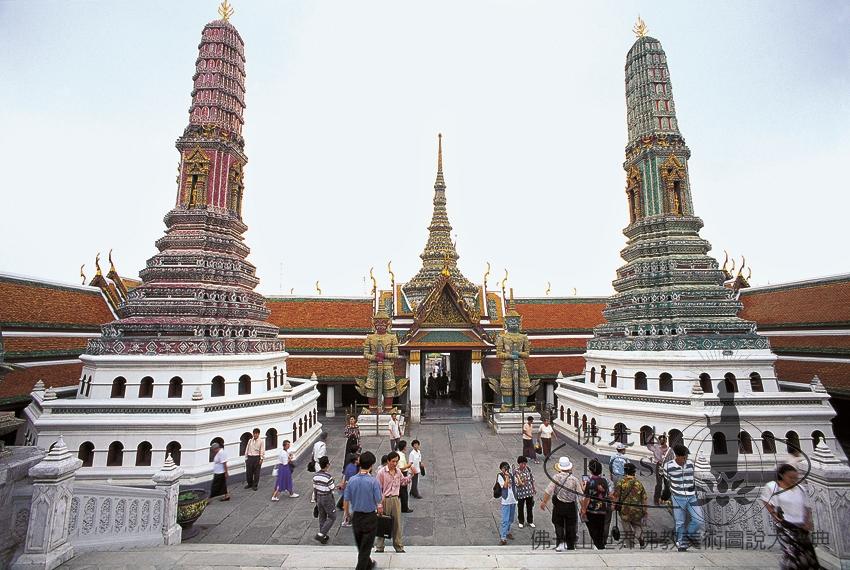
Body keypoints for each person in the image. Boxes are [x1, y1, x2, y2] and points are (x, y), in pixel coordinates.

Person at [760, 464, 819, 569]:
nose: (793, 480)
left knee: (806, 551)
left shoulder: (800, 489)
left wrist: (807, 521)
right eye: (790, 477)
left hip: (801, 526)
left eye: (796, 478)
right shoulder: (773, 487)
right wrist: (773, 513)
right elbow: (765, 500)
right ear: (782, 475)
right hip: (785, 525)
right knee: (792, 552)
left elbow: (806, 507)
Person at [343, 451, 384, 570]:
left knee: (361, 546)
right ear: (371, 465)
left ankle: (369, 564)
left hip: (356, 517)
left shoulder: (352, 480)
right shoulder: (373, 482)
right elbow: (378, 500)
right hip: (369, 517)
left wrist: (347, 514)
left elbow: (346, 499)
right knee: (365, 548)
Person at [664, 444, 702, 551]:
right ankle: (681, 543)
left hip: (692, 497)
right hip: (677, 497)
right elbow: (666, 482)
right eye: (684, 457)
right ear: (677, 456)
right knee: (680, 522)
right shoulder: (668, 466)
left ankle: (688, 536)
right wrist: (665, 497)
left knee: (699, 519)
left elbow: (694, 478)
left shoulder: (690, 464)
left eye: (686, 456)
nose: (685, 459)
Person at [539, 456, 582, 551]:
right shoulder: (574, 479)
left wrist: (544, 502)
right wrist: (583, 508)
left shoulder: (556, 477)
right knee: (571, 526)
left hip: (559, 505)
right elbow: (580, 495)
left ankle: (560, 543)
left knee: (558, 524)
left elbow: (548, 491)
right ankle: (570, 545)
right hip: (571, 506)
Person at [374, 451, 411, 553]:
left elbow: (402, 481)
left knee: (397, 524)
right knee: (382, 522)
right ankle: (379, 546)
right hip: (385, 499)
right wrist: (379, 504)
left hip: (395, 499)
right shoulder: (381, 472)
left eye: (396, 461)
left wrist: (409, 478)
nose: (395, 463)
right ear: (388, 461)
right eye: (393, 461)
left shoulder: (398, 471)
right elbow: (377, 489)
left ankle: (398, 546)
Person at [611, 462, 648, 548]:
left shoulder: (621, 482)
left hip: (625, 510)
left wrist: (613, 505)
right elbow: (644, 498)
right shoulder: (638, 483)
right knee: (637, 525)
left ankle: (630, 546)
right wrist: (645, 511)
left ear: (625, 471)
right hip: (637, 510)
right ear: (634, 472)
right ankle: (639, 536)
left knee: (627, 528)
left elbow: (616, 496)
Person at [580, 458, 610, 550]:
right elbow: (606, 493)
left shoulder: (590, 482)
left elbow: (587, 497)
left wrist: (583, 510)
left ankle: (598, 545)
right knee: (600, 528)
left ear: (590, 470)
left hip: (592, 509)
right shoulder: (604, 481)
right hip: (602, 509)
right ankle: (600, 545)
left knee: (592, 528)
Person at [313, 456, 336, 544]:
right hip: (327, 498)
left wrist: (316, 499)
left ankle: (323, 536)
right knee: (332, 516)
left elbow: (315, 488)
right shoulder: (328, 477)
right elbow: (332, 488)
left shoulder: (316, 476)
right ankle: (321, 534)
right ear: (327, 465)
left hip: (319, 497)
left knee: (322, 516)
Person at [646, 433, 673, 505]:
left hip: (667, 467)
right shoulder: (656, 447)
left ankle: (665, 498)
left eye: (663, 441)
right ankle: (656, 499)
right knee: (659, 484)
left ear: (666, 441)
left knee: (667, 484)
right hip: (659, 466)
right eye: (661, 441)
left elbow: (672, 459)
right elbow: (649, 446)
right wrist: (650, 436)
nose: (662, 442)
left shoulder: (669, 450)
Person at [497, 460, 517, 545]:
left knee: (511, 519)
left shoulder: (511, 475)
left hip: (513, 500)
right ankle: (503, 537)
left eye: (506, 468)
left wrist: (516, 475)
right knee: (505, 520)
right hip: (506, 501)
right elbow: (504, 486)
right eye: (503, 468)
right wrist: (507, 477)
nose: (505, 469)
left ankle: (508, 532)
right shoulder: (500, 476)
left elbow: (517, 483)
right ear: (501, 469)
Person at [513, 456, 536, 528]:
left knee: (530, 507)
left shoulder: (528, 469)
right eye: (522, 463)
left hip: (529, 492)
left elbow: (532, 479)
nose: (523, 465)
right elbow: (516, 483)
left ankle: (530, 521)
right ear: (519, 463)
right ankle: (521, 521)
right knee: (520, 507)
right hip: (521, 493)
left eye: (525, 463)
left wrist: (533, 488)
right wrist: (521, 482)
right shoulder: (516, 472)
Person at [339, 452, 360, 527]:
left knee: (348, 505)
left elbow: (344, 476)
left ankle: (347, 520)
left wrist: (342, 483)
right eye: (358, 459)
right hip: (350, 489)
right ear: (355, 460)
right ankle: (347, 521)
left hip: (347, 489)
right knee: (350, 506)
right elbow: (350, 480)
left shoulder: (349, 466)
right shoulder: (353, 469)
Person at [396, 440, 414, 513]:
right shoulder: (400, 456)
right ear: (404, 447)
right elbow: (401, 468)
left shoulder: (399, 454)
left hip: (401, 474)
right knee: (403, 492)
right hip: (402, 474)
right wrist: (408, 465)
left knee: (402, 491)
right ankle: (404, 508)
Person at [312, 432, 329, 503]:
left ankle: (315, 496)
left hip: (316, 463)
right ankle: (314, 496)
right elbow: (320, 457)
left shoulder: (316, 444)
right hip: (320, 464)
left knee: (317, 479)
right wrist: (325, 465)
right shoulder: (323, 446)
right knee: (321, 480)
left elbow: (313, 453)